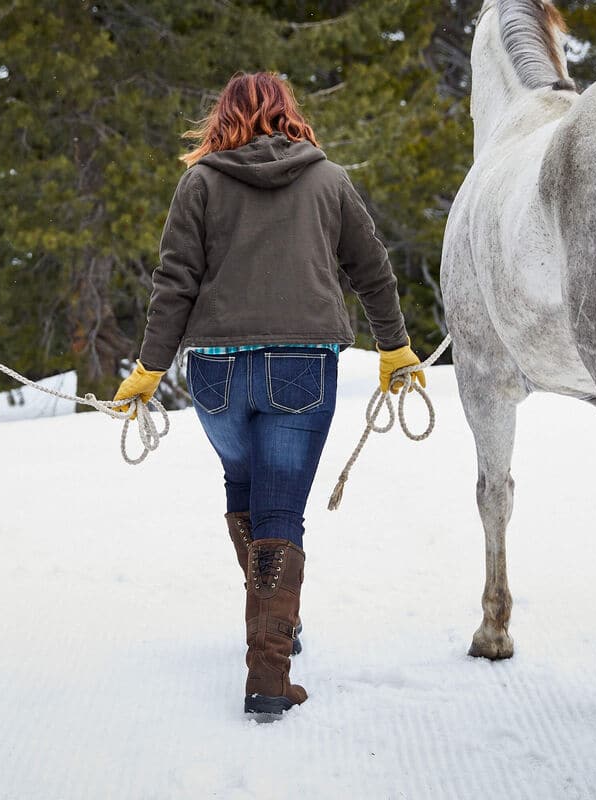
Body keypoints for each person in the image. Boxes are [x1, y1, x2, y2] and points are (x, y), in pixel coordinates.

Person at [113, 72, 424, 716]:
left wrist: (149, 367)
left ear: (222, 118)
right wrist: (393, 347)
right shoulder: (328, 178)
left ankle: (273, 623)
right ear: (290, 114)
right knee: (280, 512)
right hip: (301, 364)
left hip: (217, 372)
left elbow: (174, 283)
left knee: (245, 486)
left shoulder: (200, 182)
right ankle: (269, 676)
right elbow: (373, 271)